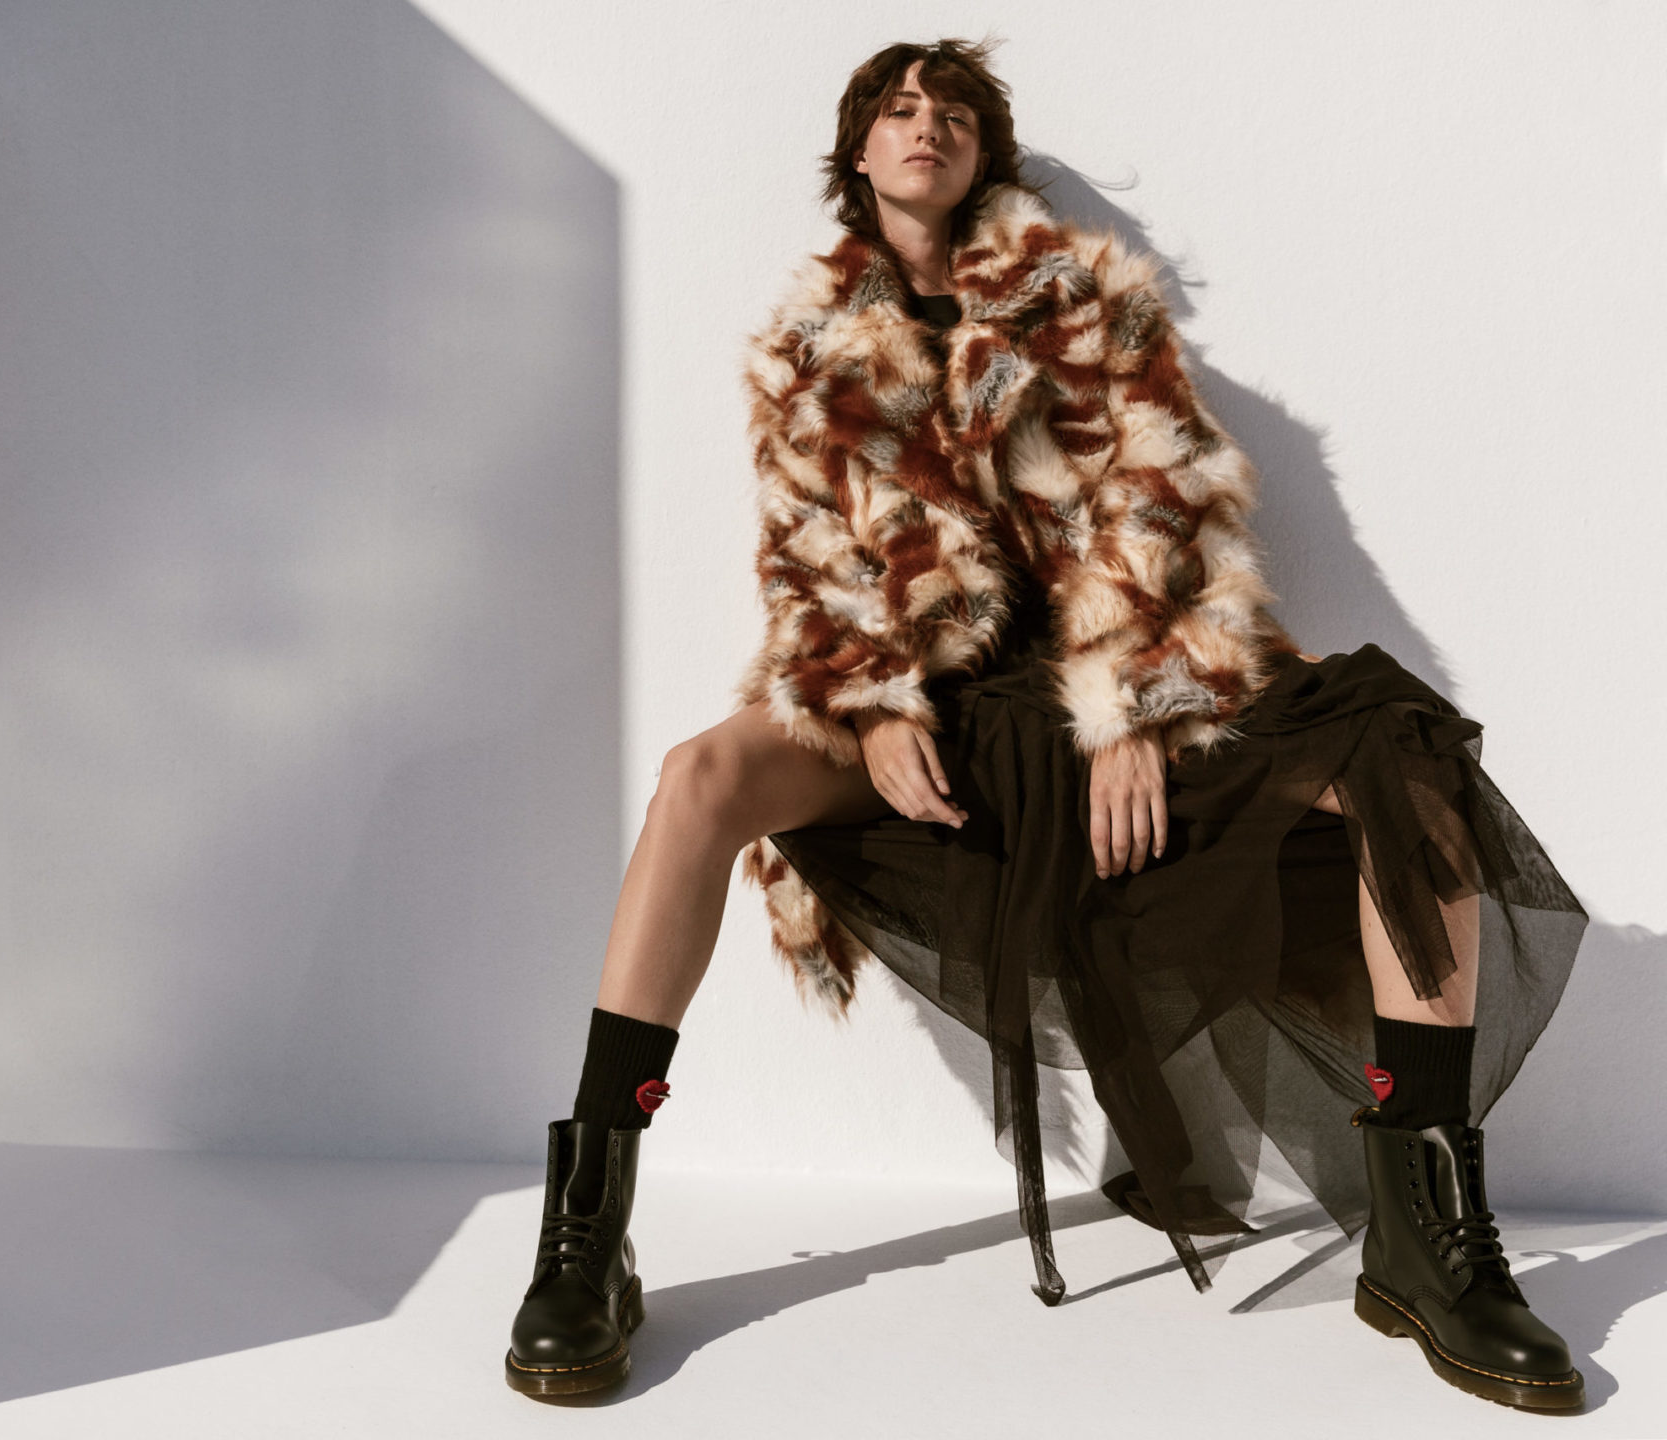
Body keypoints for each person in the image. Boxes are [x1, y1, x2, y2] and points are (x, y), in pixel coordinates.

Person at [502, 37, 1588, 1413]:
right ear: (858, 150)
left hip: (1102, 680)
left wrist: (1131, 702)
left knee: (1402, 758)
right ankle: (588, 1229)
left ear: (986, 151)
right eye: (900, 108)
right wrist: (869, 701)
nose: (927, 126)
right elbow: (804, 560)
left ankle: (1429, 1238)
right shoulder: (802, 348)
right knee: (700, 776)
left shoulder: (1084, 298)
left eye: (955, 111)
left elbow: (1164, 495)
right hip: (939, 707)